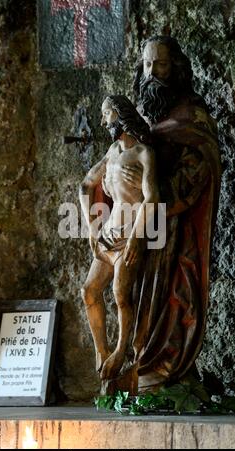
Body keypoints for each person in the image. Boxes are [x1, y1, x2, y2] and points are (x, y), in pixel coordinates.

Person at [119, 35, 222, 392]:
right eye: (147, 65)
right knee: (133, 294)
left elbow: (200, 167)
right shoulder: (140, 116)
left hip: (177, 233)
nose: (152, 73)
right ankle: (140, 365)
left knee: (175, 298)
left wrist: (158, 191)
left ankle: (165, 369)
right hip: (143, 228)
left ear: (176, 68)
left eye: (160, 64)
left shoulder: (193, 117)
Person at [79, 96, 160, 386]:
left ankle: (122, 351)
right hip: (107, 237)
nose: (103, 121)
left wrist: (138, 240)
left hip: (129, 238)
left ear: (119, 115)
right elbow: (86, 185)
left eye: (106, 114)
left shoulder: (143, 153)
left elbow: (152, 198)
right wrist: (92, 227)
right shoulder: (112, 152)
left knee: (120, 295)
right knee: (89, 291)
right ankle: (103, 354)